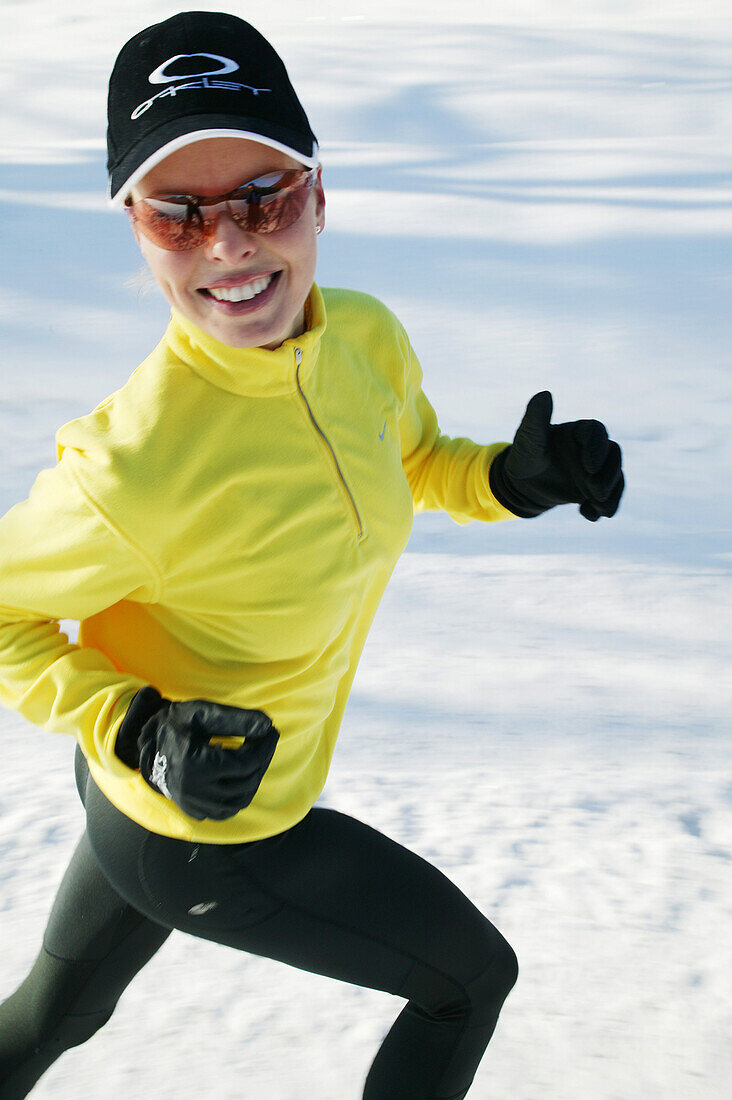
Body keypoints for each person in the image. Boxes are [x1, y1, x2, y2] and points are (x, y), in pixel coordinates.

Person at [0, 11, 624, 1099]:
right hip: (202, 829)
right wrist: (137, 727)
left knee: (58, 1011)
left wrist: (510, 481)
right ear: (137, 232)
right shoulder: (131, 465)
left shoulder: (364, 336)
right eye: (178, 215)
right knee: (468, 981)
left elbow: (414, 456)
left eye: (264, 198)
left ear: (320, 197)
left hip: (140, 797)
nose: (231, 244)